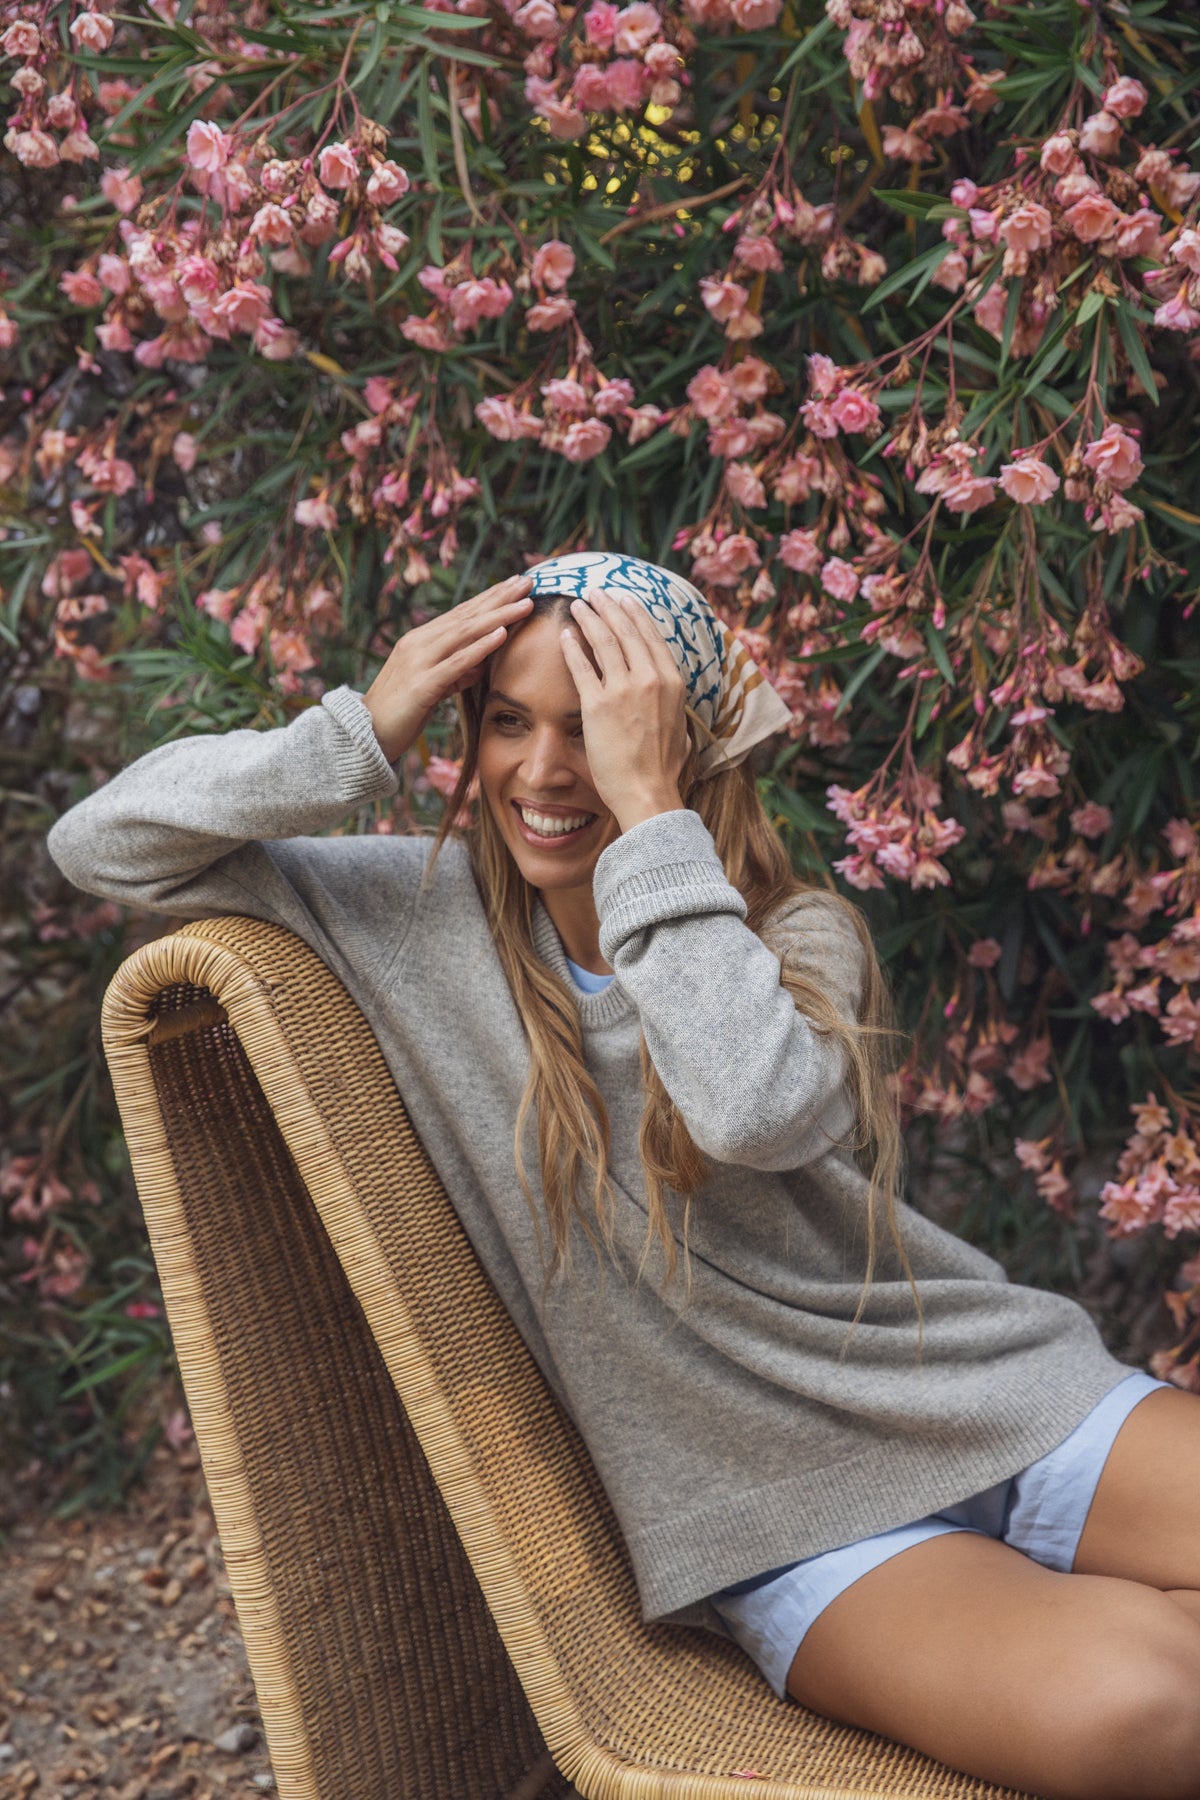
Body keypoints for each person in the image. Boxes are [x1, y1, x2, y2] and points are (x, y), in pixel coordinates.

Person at [47, 550, 1200, 1800]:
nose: (545, 772)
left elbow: (749, 1104)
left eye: (595, 730)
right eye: (507, 723)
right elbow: (100, 845)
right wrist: (356, 735)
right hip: (784, 1515)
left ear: (676, 750)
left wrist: (655, 820)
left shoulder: (789, 935)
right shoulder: (406, 919)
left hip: (989, 1393)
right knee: (1150, 1709)